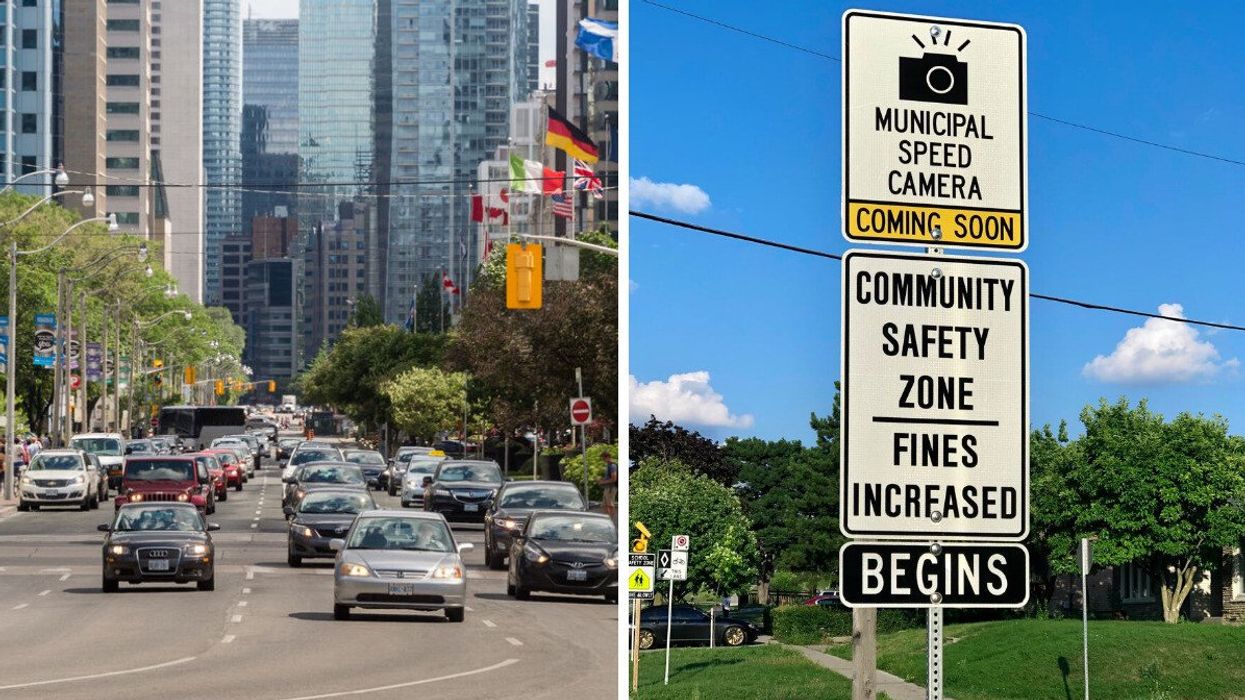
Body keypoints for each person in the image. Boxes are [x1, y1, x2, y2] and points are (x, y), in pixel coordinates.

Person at [599, 451, 617, 521]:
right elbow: (608, 477)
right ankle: (607, 519)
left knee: (610, 505)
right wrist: (602, 480)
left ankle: (611, 520)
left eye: (603, 458)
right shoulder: (608, 465)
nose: (603, 460)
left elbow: (614, 479)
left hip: (611, 488)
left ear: (608, 457)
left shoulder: (612, 466)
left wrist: (603, 482)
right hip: (607, 487)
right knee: (604, 505)